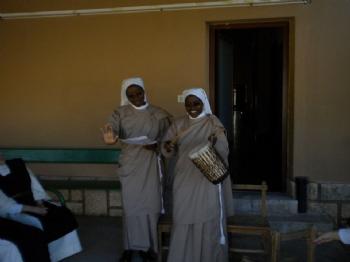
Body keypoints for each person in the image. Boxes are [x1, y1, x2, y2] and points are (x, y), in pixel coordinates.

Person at [101, 77, 172, 262]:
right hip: (130, 164)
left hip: (151, 164)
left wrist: (158, 146)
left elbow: (172, 137)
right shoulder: (120, 112)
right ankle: (130, 247)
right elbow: (111, 128)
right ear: (125, 95)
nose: (135, 97)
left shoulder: (159, 113)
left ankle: (149, 246)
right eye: (130, 95)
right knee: (131, 207)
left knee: (152, 204)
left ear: (144, 91)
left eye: (138, 93)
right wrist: (111, 136)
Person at [162, 88, 234, 262]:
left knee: (207, 215)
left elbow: (224, 149)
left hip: (206, 176)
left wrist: (215, 144)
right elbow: (166, 147)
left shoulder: (213, 123)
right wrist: (168, 147)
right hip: (184, 176)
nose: (192, 107)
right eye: (188, 104)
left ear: (204, 103)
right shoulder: (178, 124)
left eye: (196, 103)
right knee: (182, 215)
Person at [0, 154, 82, 262]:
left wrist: (39, 202)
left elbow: (34, 185)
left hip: (31, 200)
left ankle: (62, 252)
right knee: (38, 224)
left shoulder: (18, 164)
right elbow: (5, 204)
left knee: (62, 215)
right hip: (17, 207)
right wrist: (34, 209)